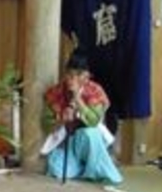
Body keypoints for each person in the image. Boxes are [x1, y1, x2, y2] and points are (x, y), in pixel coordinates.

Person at [41, 49, 123, 184]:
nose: (73, 79)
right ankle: (83, 169)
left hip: (89, 138)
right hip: (68, 140)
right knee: (56, 168)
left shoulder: (95, 91)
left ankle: (95, 168)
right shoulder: (56, 92)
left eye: (78, 74)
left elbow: (93, 121)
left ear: (87, 76)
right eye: (69, 74)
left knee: (90, 133)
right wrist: (60, 118)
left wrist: (77, 99)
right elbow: (45, 121)